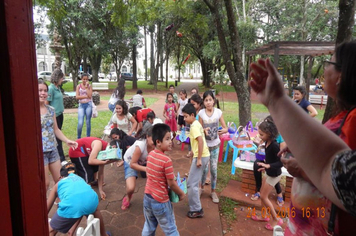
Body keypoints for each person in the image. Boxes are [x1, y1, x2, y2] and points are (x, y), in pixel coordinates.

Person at [249, 49, 356, 234]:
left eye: (328, 64)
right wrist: (304, 148)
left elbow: (342, 177)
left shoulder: (353, 121)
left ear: (341, 75)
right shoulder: (343, 116)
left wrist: (304, 169)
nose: (324, 70)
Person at [142, 124, 185, 235]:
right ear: (158, 142)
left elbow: (152, 174)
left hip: (148, 197)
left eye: (170, 138)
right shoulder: (166, 160)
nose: (170, 141)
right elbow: (172, 184)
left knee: (149, 226)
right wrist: (181, 194)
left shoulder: (150, 154)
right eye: (167, 139)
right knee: (171, 229)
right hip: (160, 201)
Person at [47, 163, 110, 236]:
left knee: (50, 231)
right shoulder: (80, 179)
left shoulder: (59, 183)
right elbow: (79, 204)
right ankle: (104, 234)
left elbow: (47, 206)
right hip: (92, 200)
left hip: (73, 205)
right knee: (93, 210)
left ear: (60, 177)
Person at [39, 79, 77, 191]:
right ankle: (44, 206)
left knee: (60, 180)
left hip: (53, 149)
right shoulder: (31, 111)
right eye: (40, 90)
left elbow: (56, 129)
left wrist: (66, 140)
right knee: (45, 183)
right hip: (41, 152)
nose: (43, 93)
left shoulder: (51, 110)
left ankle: (59, 205)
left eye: (45, 91)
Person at [249, 118, 284, 230]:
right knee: (263, 196)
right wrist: (265, 165)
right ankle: (264, 215)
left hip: (274, 174)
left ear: (269, 134)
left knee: (264, 196)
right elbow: (269, 158)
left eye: (261, 134)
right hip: (269, 172)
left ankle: (276, 219)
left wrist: (268, 166)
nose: (259, 136)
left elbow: (280, 162)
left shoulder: (274, 145)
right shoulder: (267, 142)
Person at [198, 90, 228, 203]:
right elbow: (199, 129)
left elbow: (225, 128)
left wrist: (222, 131)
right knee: (204, 170)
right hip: (205, 147)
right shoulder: (201, 113)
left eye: (210, 100)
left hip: (215, 146)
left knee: (214, 170)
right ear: (204, 102)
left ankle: (213, 191)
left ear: (214, 101)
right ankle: (201, 188)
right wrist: (203, 130)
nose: (208, 102)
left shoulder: (218, 112)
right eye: (206, 100)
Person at [182, 103, 210, 218]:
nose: (184, 119)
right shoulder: (196, 123)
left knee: (191, 183)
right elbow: (199, 138)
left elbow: (200, 141)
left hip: (201, 157)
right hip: (202, 155)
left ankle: (197, 209)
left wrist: (198, 159)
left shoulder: (193, 126)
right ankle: (196, 206)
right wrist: (193, 152)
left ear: (192, 115)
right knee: (192, 182)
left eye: (185, 116)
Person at [121, 127, 155, 210]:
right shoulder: (140, 145)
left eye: (158, 139)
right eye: (153, 138)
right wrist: (147, 169)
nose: (156, 141)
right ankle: (128, 197)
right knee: (131, 188)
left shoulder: (157, 144)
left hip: (144, 162)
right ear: (147, 136)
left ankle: (153, 201)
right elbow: (133, 164)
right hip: (130, 162)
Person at [47, 69, 66, 162]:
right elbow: (47, 103)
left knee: (59, 134)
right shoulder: (51, 88)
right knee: (58, 136)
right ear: (57, 78)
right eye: (61, 78)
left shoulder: (58, 88)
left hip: (60, 114)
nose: (62, 80)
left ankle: (60, 156)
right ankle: (61, 158)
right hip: (54, 116)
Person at [186, 93, 203, 159]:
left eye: (194, 104)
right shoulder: (191, 112)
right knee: (191, 143)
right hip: (192, 132)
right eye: (191, 104)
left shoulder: (201, 113)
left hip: (198, 133)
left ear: (198, 103)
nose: (192, 106)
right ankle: (190, 152)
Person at [76, 73, 92, 139]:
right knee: (80, 123)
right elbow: (77, 97)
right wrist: (85, 96)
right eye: (84, 79)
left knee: (88, 122)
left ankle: (88, 137)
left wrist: (86, 88)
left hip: (88, 105)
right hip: (81, 105)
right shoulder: (78, 86)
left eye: (86, 79)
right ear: (81, 79)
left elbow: (90, 96)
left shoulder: (89, 86)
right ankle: (78, 137)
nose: (85, 80)